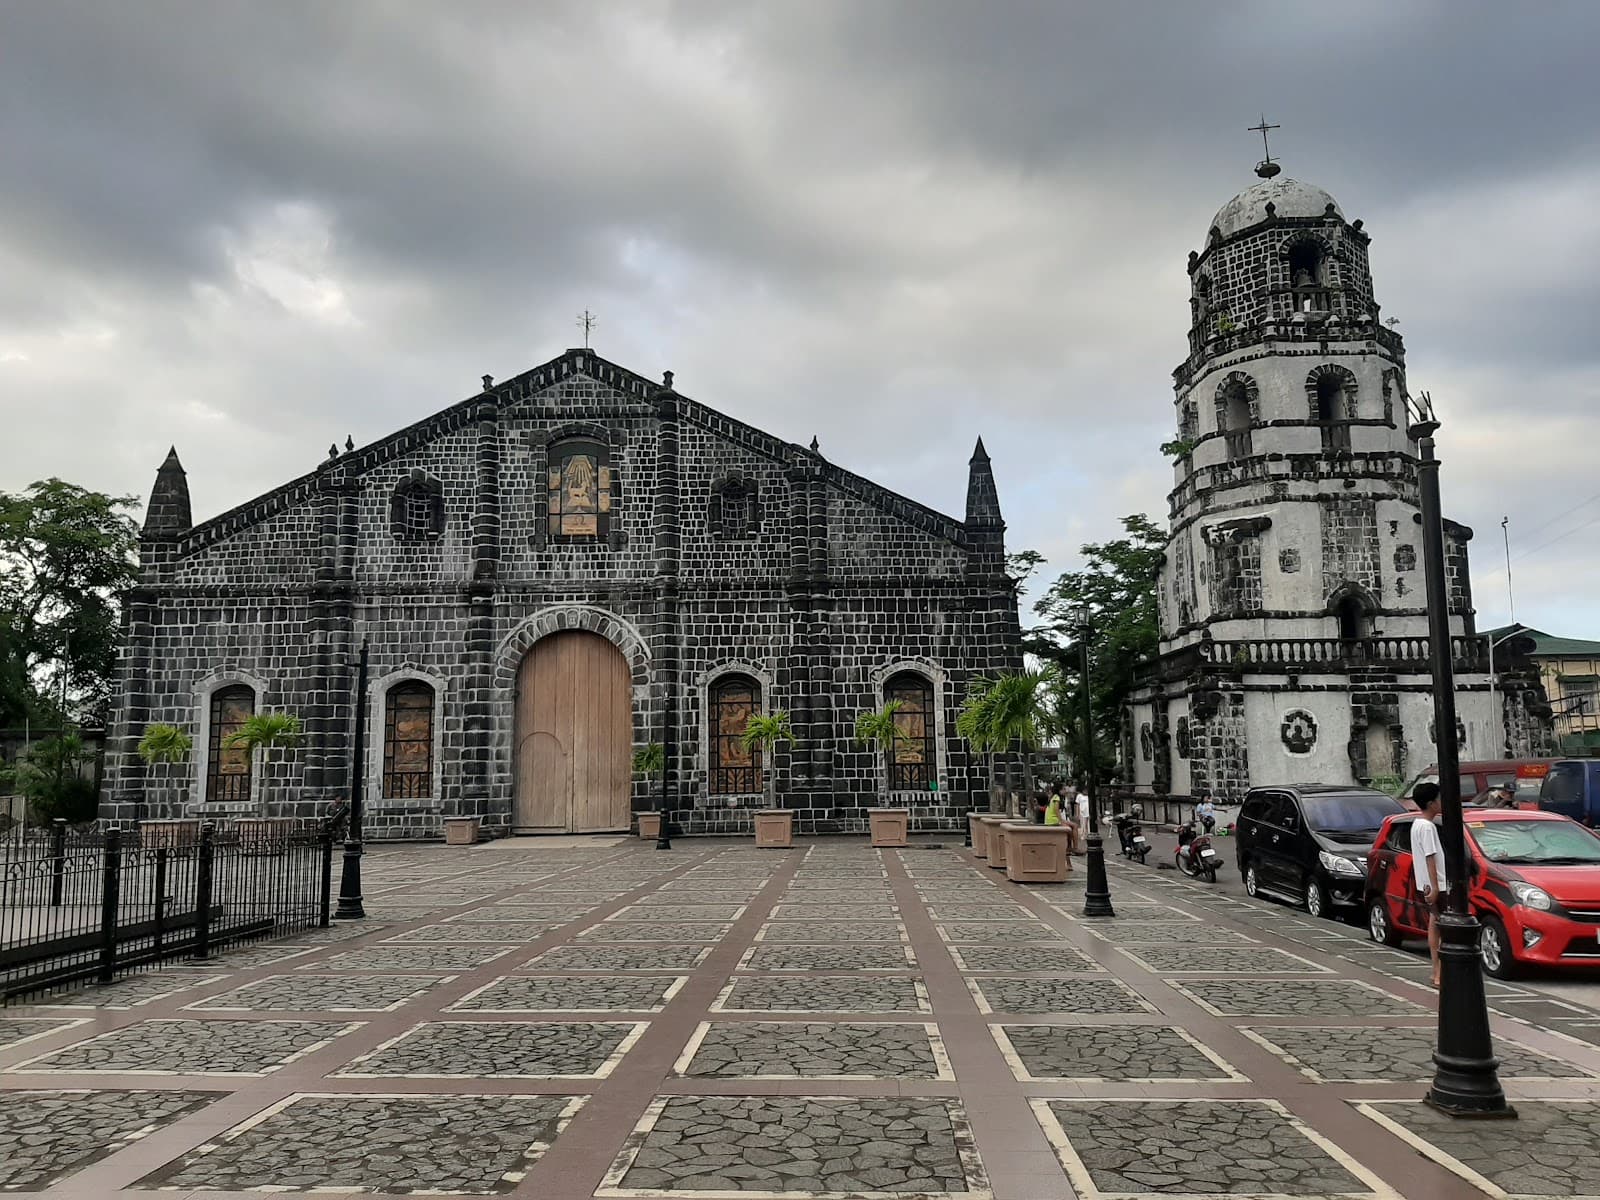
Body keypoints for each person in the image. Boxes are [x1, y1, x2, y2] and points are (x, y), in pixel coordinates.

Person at [1409, 781, 1447, 988]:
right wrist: (1434, 886)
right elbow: (1430, 857)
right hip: (1437, 885)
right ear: (1431, 803)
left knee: (1434, 925)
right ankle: (1438, 972)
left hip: (1426, 885)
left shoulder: (1417, 824)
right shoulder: (1427, 827)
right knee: (1441, 927)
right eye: (1439, 799)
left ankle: (1436, 971)